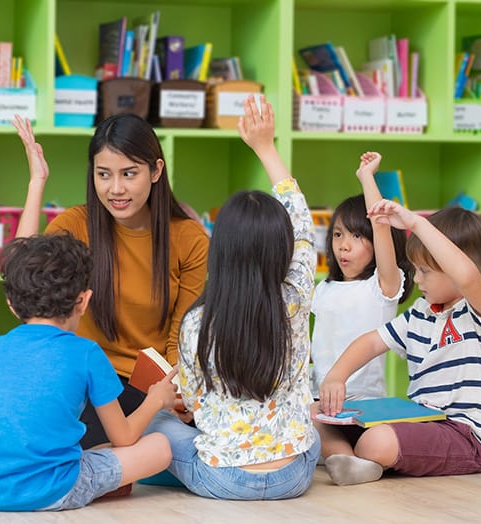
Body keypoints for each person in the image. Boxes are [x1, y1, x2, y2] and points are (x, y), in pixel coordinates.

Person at [143, 94, 320, 500]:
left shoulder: (196, 323)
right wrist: (266, 146)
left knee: (154, 427)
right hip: (295, 475)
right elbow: (303, 223)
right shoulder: (296, 295)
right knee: (308, 430)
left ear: (219, 248)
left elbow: (191, 402)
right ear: (282, 248)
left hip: (223, 479)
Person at [0, 233, 176, 511]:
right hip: (53, 490)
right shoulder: (87, 352)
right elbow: (123, 437)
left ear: (11, 305)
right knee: (160, 446)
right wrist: (156, 399)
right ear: (84, 301)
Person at [12, 113, 208, 448]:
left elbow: (182, 340)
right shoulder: (76, 224)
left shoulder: (189, 239)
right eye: (104, 175)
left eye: (129, 174)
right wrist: (36, 182)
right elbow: (22, 285)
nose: (115, 189)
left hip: (146, 389)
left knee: (186, 444)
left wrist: (180, 394)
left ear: (156, 171)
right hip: (81, 379)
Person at [317, 201, 481, 486]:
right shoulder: (420, 312)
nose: (416, 279)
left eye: (425, 271)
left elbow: (467, 276)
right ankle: (349, 461)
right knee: (314, 413)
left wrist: (417, 223)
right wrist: (337, 375)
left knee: (377, 440)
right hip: (423, 419)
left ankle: (363, 456)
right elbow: (371, 342)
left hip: (466, 436)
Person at [310, 152, 413, 400]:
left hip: (363, 400)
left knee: (334, 441)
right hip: (318, 396)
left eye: (356, 236)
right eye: (337, 235)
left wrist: (366, 176)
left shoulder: (381, 288)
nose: (343, 245)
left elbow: (380, 224)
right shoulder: (324, 288)